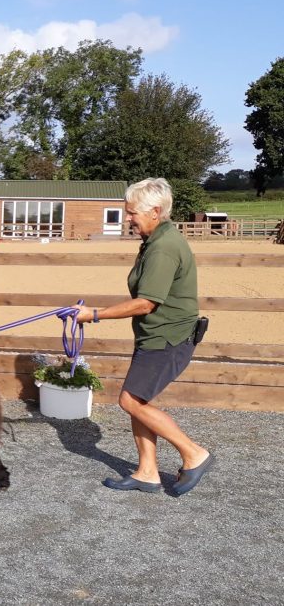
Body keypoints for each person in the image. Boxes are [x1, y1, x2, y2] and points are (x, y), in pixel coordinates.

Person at [72, 178, 212, 495]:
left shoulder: (163, 248)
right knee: (139, 400)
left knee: (130, 401)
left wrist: (94, 315)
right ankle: (147, 472)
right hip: (155, 336)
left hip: (168, 338)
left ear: (155, 211)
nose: (129, 218)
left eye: (133, 213)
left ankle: (194, 453)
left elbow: (146, 302)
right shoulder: (156, 240)